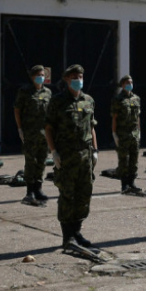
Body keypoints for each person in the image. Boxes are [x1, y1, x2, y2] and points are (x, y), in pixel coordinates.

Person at [45, 65, 98, 249]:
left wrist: (95, 151)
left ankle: (77, 232)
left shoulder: (88, 100)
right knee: (67, 196)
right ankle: (67, 236)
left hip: (85, 156)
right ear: (66, 79)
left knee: (84, 195)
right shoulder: (58, 101)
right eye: (74, 77)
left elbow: (91, 127)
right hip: (66, 157)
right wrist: (53, 152)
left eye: (80, 76)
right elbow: (48, 128)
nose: (78, 79)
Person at [14, 65, 52, 206]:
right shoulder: (25, 92)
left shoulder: (48, 92)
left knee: (42, 161)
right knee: (31, 162)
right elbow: (17, 110)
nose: (41, 77)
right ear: (32, 77)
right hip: (30, 133)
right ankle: (29, 191)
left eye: (42, 75)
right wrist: (20, 129)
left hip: (44, 134)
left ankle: (38, 189)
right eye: (38, 75)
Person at [112, 75, 142, 195]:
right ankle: (124, 184)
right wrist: (114, 133)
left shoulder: (136, 99)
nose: (130, 84)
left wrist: (139, 131)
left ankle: (132, 182)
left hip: (134, 133)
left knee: (134, 159)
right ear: (123, 85)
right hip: (123, 133)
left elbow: (138, 117)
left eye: (131, 82)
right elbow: (114, 117)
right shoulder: (118, 99)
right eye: (127, 83)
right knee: (124, 159)